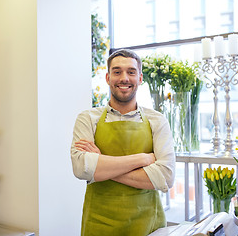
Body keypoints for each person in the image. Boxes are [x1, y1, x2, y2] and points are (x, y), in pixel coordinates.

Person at [71, 49, 175, 236]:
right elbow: (81, 169)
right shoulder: (87, 118)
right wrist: (142, 159)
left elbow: (165, 176)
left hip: (148, 223)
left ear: (140, 78)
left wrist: (100, 164)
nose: (124, 78)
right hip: (99, 222)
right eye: (117, 72)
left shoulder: (157, 120)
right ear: (108, 77)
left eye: (131, 72)